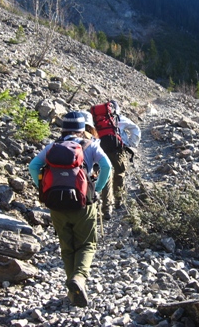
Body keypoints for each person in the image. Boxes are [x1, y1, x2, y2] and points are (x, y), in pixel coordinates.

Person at [28, 111, 112, 307]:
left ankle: (72, 291)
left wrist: (43, 190)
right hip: (84, 204)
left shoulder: (52, 147)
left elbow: (33, 166)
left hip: (56, 205)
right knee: (87, 244)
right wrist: (96, 189)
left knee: (67, 247)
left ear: (63, 129)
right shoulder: (91, 145)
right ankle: (79, 278)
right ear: (83, 130)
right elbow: (107, 167)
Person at [100, 100, 140, 220]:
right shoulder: (120, 119)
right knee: (119, 174)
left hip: (100, 151)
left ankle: (106, 208)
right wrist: (131, 144)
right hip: (118, 151)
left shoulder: (98, 120)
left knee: (106, 177)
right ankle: (118, 201)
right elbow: (135, 129)